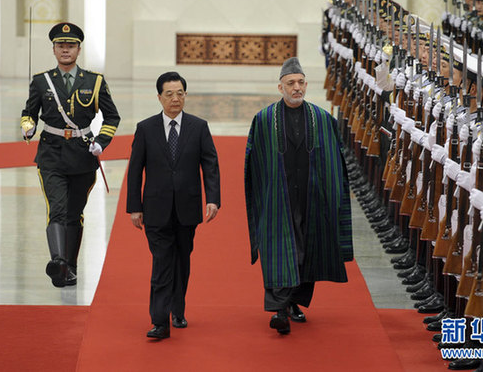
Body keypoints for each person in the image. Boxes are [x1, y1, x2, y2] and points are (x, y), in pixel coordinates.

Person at [244, 57, 354, 335]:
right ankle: (279, 309)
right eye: (291, 83)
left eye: (301, 82)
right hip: (278, 199)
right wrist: (263, 197)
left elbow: (335, 162)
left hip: (312, 197)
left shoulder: (323, 119)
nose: (297, 88)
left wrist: (332, 196)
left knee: (307, 249)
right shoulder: (265, 119)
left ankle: (294, 303)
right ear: (280, 87)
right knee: (280, 248)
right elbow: (253, 163)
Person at [20, 22, 120, 288]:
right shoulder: (41, 81)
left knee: (74, 213)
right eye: (61, 45)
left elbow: (112, 116)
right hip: (50, 154)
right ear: (53, 49)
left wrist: (101, 142)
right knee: (57, 209)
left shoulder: (95, 81)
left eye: (71, 45)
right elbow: (29, 112)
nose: (66, 50)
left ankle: (70, 267)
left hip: (82, 155)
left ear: (78, 49)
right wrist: (28, 127)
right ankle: (58, 262)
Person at [126, 72, 220, 340]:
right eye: (169, 94)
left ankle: (178, 309)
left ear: (185, 95)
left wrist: (212, 198)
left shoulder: (198, 127)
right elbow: (135, 170)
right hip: (155, 209)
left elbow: (210, 164)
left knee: (182, 260)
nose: (175, 98)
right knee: (162, 263)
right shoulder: (145, 129)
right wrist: (135, 206)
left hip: (187, 209)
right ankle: (159, 320)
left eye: (180, 93)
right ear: (159, 97)